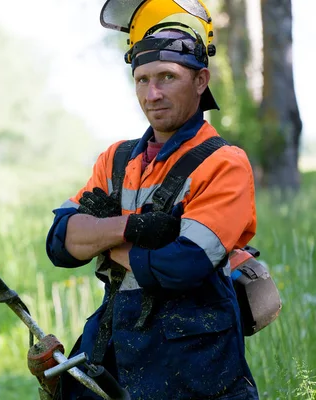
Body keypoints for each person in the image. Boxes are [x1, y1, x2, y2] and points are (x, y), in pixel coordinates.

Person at [44, 24, 260, 400]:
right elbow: (60, 243)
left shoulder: (225, 163)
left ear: (200, 80)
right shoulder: (116, 159)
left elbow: (183, 265)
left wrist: (102, 239)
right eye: (142, 79)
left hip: (196, 359)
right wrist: (133, 226)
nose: (153, 93)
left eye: (167, 77)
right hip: (114, 343)